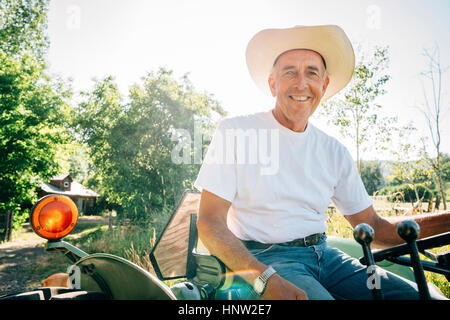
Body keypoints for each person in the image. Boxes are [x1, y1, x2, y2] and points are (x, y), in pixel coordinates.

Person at [193, 25, 450, 300]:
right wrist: (264, 279)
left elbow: (374, 226)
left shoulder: (334, 151)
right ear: (272, 84)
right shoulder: (237, 132)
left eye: (312, 73)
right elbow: (210, 223)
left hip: (328, 258)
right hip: (269, 260)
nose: (301, 83)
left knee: (424, 298)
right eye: (289, 71)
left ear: (324, 86)